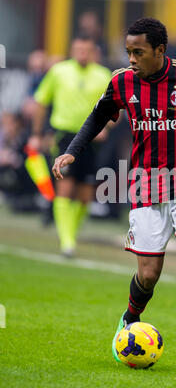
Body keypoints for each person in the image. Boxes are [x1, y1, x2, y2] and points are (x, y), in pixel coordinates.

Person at [52, 18, 176, 374]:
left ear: (159, 51)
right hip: (146, 184)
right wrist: (72, 150)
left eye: (138, 52)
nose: (132, 58)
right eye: (128, 52)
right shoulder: (121, 82)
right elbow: (97, 117)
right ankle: (130, 317)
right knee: (149, 274)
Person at [29, 34, 112, 257]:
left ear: (93, 51)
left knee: (85, 195)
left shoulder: (103, 75)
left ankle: (71, 236)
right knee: (64, 187)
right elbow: (41, 101)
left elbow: (117, 109)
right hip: (64, 137)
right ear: (73, 50)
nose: (82, 54)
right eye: (79, 50)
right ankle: (67, 243)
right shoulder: (59, 71)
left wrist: (106, 127)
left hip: (91, 140)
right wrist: (37, 134)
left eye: (87, 50)